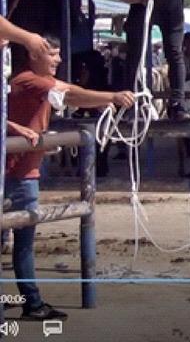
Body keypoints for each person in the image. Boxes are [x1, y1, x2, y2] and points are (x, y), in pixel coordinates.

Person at [5, 35, 133, 320]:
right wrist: (110, 96)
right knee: (23, 241)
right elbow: (70, 93)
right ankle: (31, 302)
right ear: (34, 54)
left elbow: (65, 93)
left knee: (24, 240)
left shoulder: (32, 83)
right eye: (52, 54)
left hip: (25, 171)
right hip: (15, 173)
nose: (58, 60)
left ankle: (31, 301)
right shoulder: (28, 80)